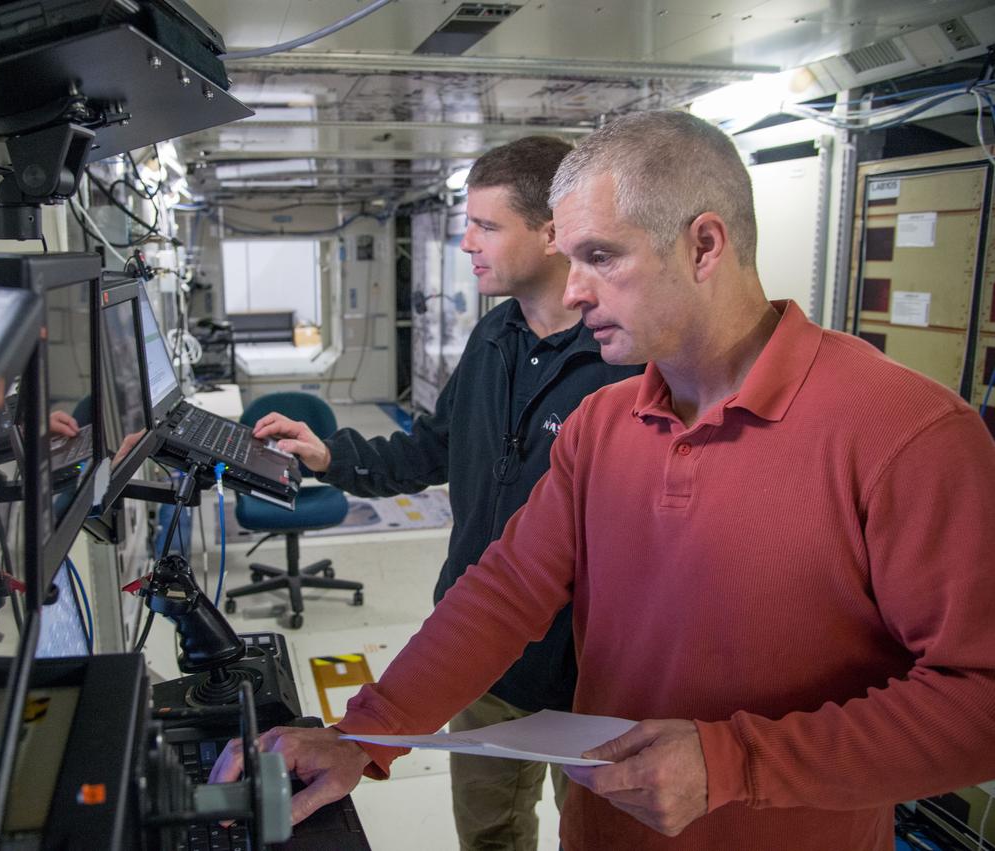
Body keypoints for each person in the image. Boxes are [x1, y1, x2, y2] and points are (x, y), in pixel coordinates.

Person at [212, 111, 995, 851]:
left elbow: (980, 697)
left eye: (600, 256)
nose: (575, 289)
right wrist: (363, 734)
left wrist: (736, 762)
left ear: (704, 246)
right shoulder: (605, 422)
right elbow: (504, 590)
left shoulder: (905, 434)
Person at [249, 135, 642, 850]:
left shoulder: (623, 362)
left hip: (591, 675)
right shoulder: (491, 335)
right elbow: (430, 450)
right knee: (488, 831)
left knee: (599, 836)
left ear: (552, 231)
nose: (465, 243)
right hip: (482, 654)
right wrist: (329, 454)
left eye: (486, 225)